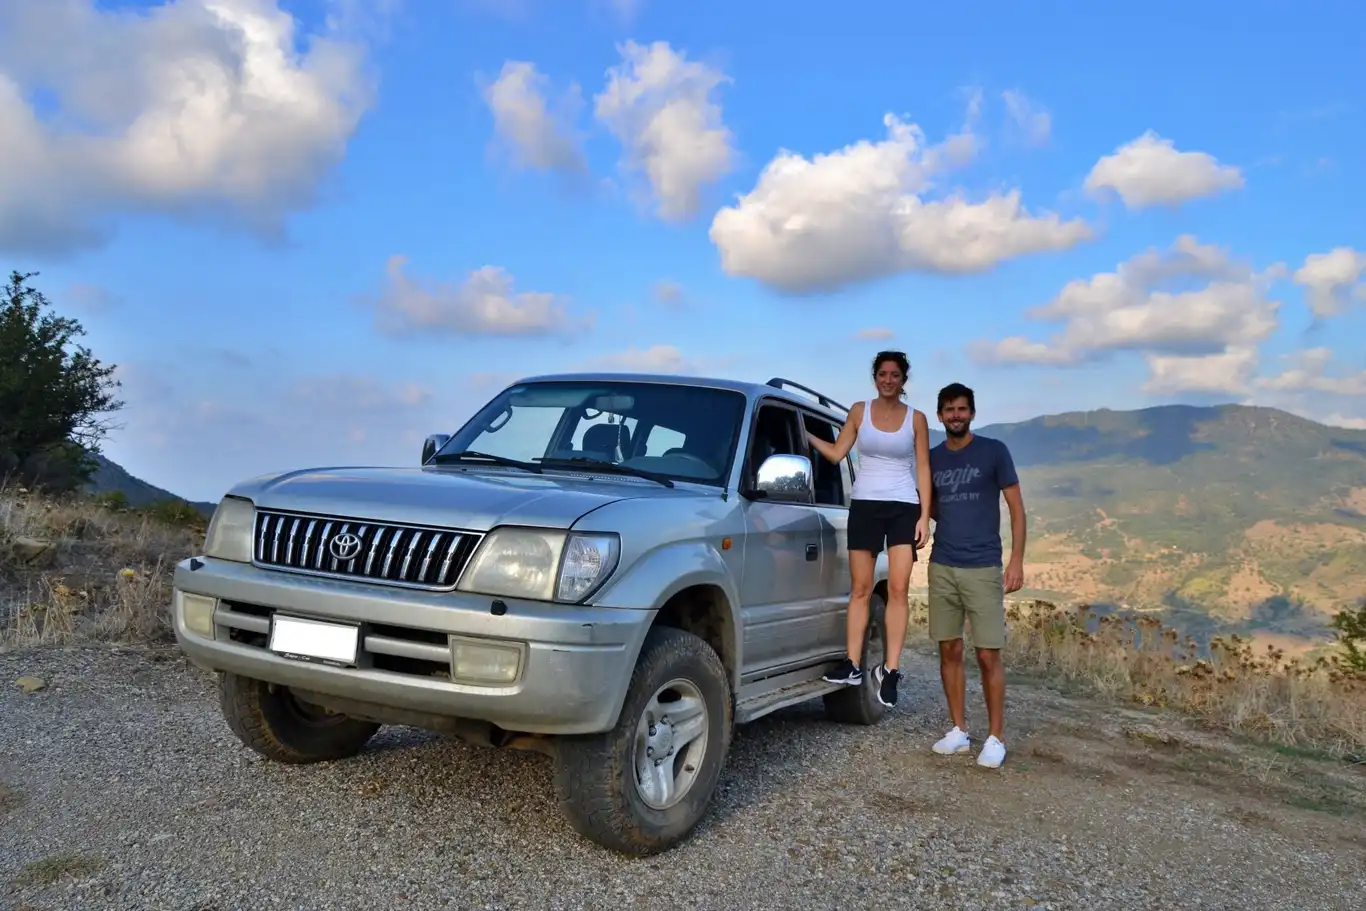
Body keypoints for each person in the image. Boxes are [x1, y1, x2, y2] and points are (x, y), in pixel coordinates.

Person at [808, 350, 931, 708]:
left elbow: (924, 468)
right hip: (864, 505)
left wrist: (924, 516)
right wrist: (806, 435)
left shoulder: (916, 419)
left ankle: (891, 670)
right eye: (882, 374)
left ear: (903, 380)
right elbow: (836, 453)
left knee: (898, 589)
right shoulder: (859, 411)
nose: (888, 380)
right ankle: (852, 664)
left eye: (895, 375)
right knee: (860, 589)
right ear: (875, 377)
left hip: (903, 507)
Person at [925, 382, 1026, 769]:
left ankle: (996, 737)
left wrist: (1016, 561)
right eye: (949, 409)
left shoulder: (994, 451)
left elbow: (1017, 509)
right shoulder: (933, 458)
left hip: (983, 566)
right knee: (949, 650)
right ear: (940, 415)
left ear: (972, 413)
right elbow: (931, 506)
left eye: (962, 409)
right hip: (942, 564)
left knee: (987, 654)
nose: (956, 415)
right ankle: (959, 731)